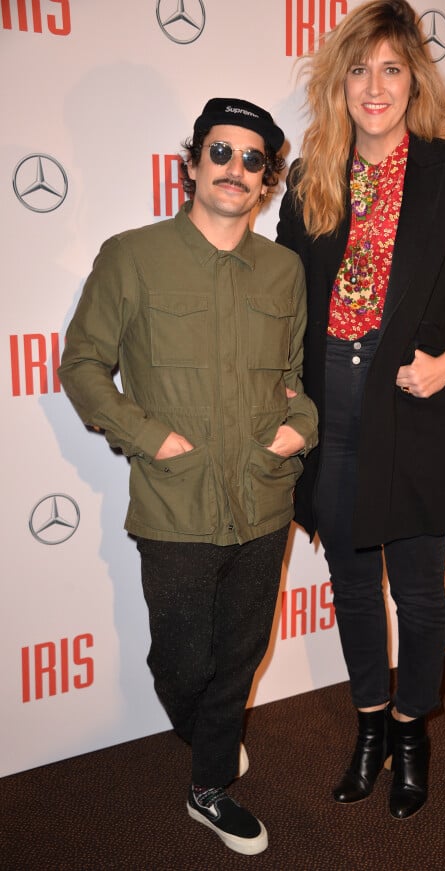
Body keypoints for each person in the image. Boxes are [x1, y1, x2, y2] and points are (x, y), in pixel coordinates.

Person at [276, 0, 445, 821]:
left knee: (419, 596)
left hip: (414, 414)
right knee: (353, 590)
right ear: (338, 82)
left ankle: (413, 730)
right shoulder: (310, 175)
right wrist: (281, 384)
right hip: (333, 418)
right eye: (359, 69)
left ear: (413, 78)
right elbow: (281, 297)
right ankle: (370, 726)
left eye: (391, 68)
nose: (374, 86)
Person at [58, 97, 317, 856]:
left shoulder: (284, 269)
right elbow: (82, 366)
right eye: (221, 152)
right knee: (182, 657)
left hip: (265, 499)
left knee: (240, 651)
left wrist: (297, 429)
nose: (236, 169)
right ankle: (208, 730)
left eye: (252, 158)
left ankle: (208, 785)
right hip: (176, 504)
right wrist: (150, 437)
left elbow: (296, 379)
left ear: (267, 178)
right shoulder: (131, 255)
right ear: (192, 162)